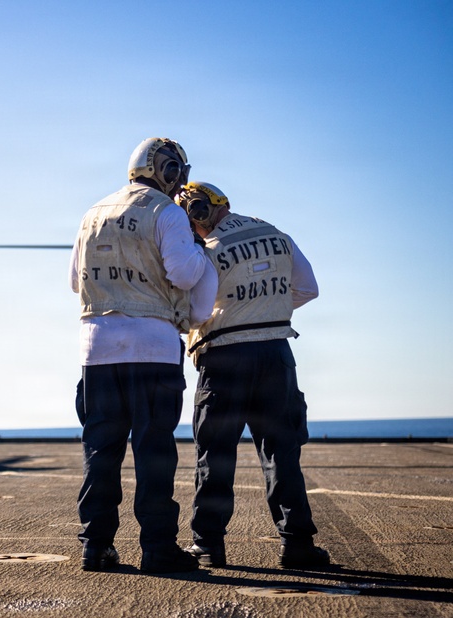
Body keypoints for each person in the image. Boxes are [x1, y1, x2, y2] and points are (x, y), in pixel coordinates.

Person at [70, 137, 217, 573]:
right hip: (151, 345)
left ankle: (95, 545)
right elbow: (185, 272)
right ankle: (156, 547)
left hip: (96, 348)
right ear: (169, 172)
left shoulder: (92, 213)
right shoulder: (165, 212)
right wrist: (198, 250)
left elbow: (75, 283)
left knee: (101, 449)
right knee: (153, 450)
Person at [175, 181, 330, 569]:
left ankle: (209, 544)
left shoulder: (207, 251)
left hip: (224, 358)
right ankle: (297, 545)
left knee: (215, 453)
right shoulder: (277, 236)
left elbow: (194, 312)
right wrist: (267, 308)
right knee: (282, 452)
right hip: (276, 353)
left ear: (196, 215)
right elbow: (307, 289)